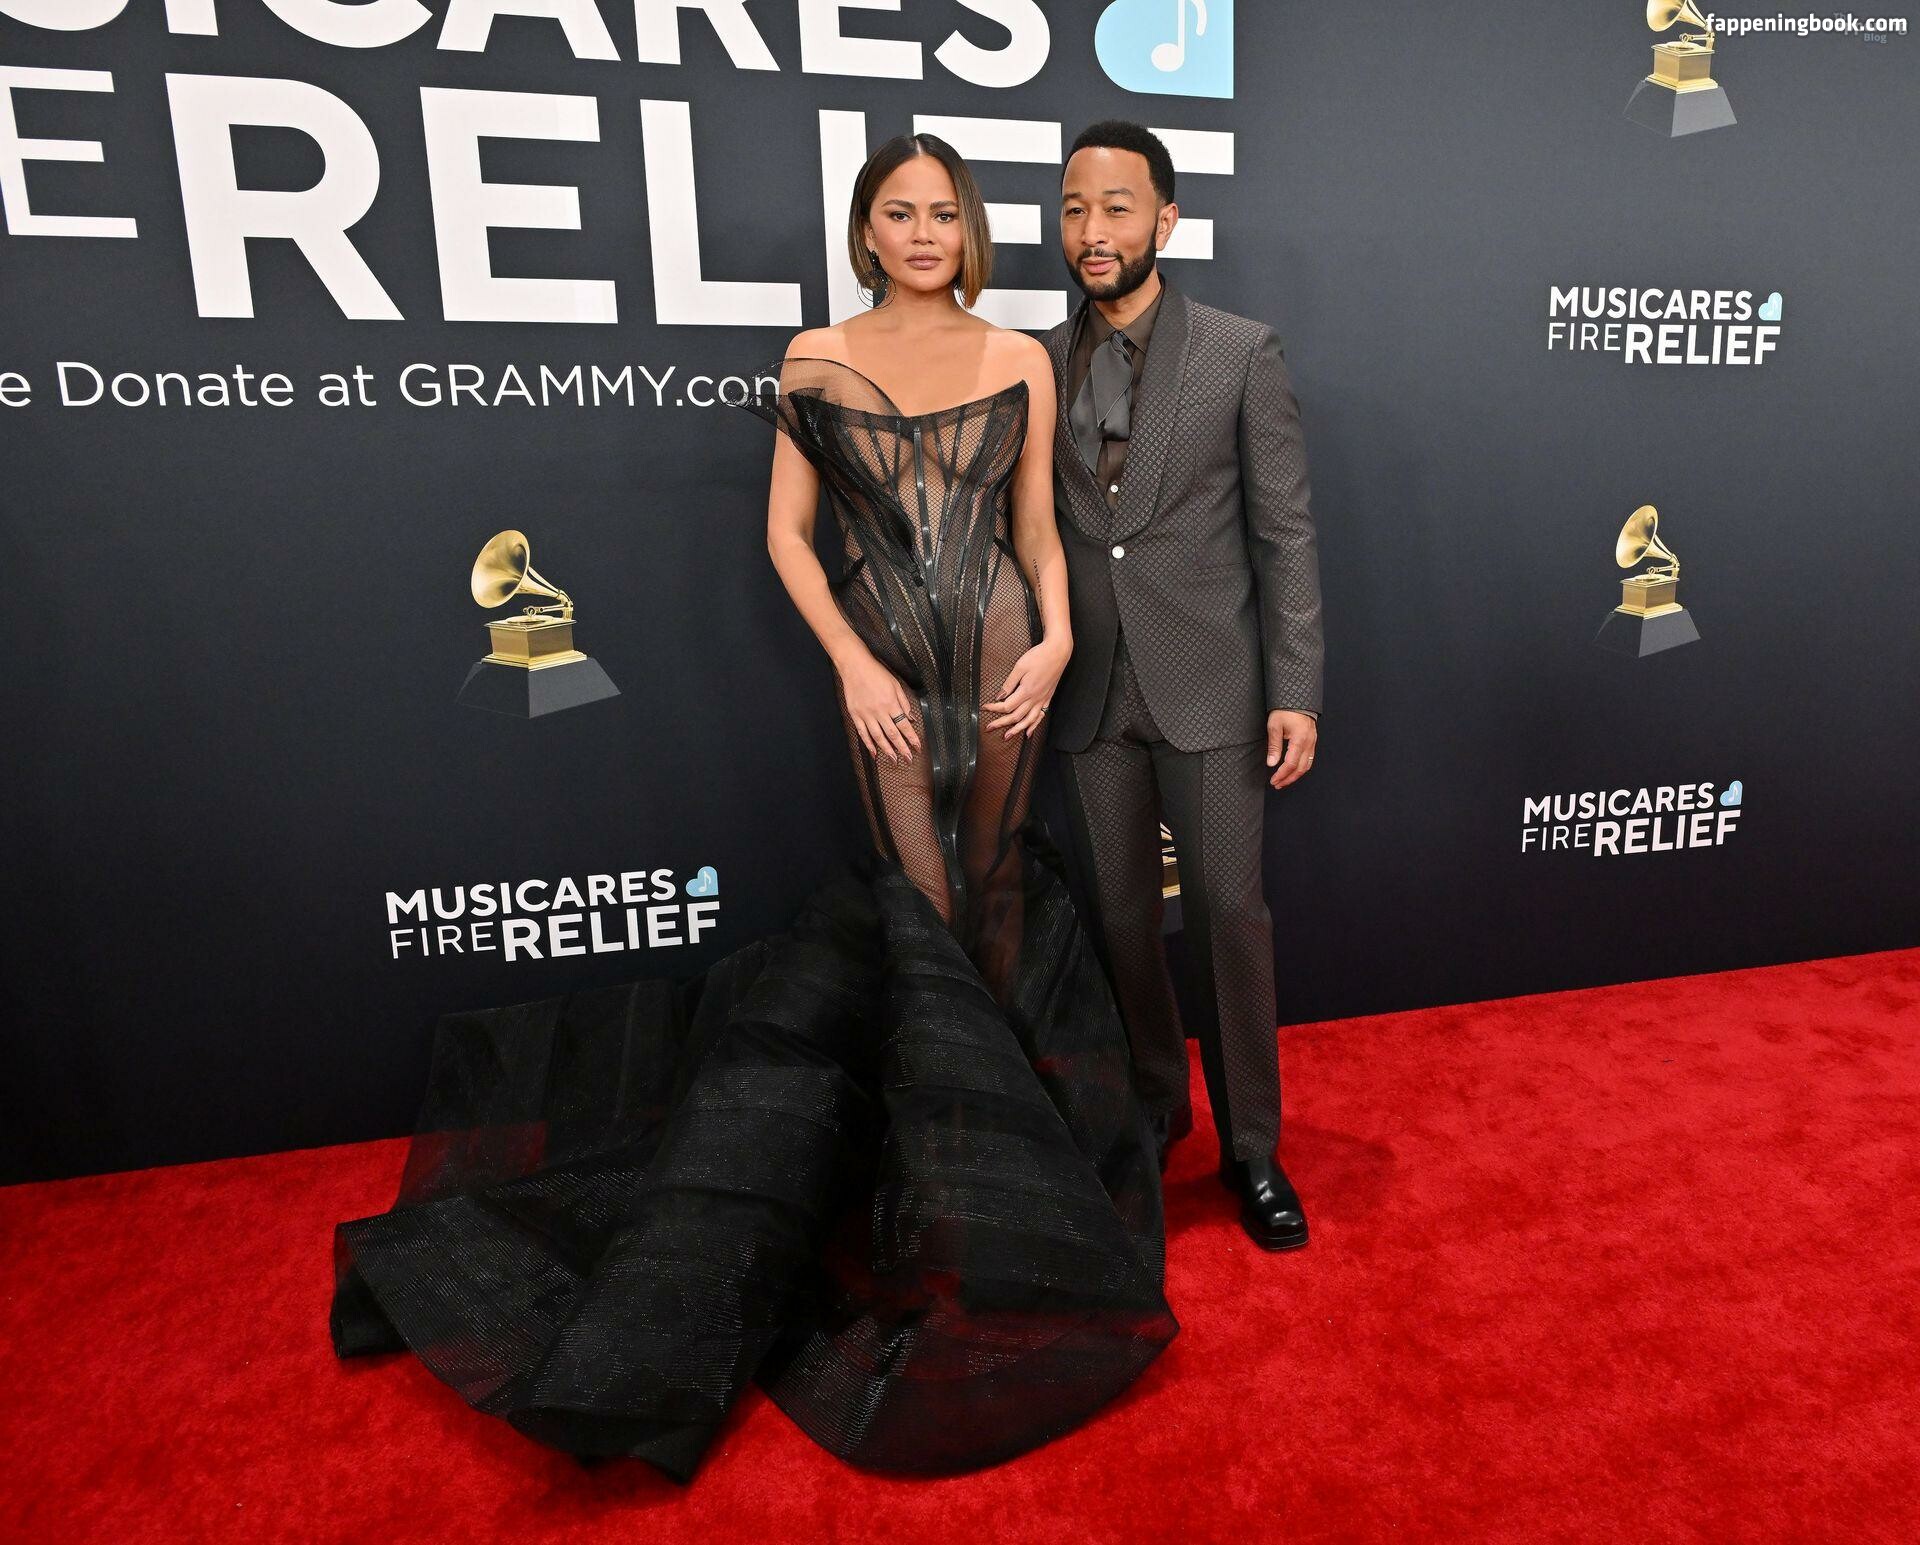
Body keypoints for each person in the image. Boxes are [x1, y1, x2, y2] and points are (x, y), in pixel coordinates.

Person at [327, 134, 1177, 1485]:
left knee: (1001, 893)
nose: (921, 232)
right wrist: (851, 666)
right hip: (882, 664)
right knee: (923, 912)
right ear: (865, 229)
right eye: (897, 212)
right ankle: (935, 1180)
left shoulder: (1021, 355)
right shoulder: (815, 358)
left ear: (967, 229)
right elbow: (788, 535)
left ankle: (1014, 1178)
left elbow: (1035, 531)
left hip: (1005, 653)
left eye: (941, 212)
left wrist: (1060, 639)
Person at [1043, 121, 1325, 1251]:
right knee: (1119, 920)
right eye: (1074, 208)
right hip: (1085, 693)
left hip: (1211, 682)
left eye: (1116, 207)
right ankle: (1157, 1109)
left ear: (1165, 218)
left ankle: (1252, 1146)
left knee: (1227, 917)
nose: (1092, 230)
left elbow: (1284, 534)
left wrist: (1296, 688)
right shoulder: (1031, 362)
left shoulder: (1239, 352)